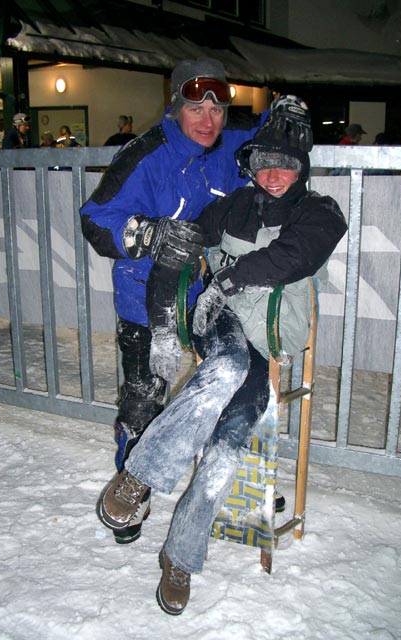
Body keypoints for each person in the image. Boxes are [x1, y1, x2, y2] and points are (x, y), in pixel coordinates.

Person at [97, 126, 348, 615]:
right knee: (226, 363)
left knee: (227, 445)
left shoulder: (320, 212)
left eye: (286, 165)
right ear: (250, 167)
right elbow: (181, 250)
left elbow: (292, 256)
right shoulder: (231, 205)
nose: (274, 176)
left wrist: (226, 278)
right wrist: (169, 323)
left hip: (266, 339)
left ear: (302, 168)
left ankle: (181, 556)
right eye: (263, 164)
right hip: (223, 322)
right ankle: (140, 477)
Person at [80, 56, 313, 545]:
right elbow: (96, 218)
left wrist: (284, 117)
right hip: (148, 297)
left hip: (214, 292)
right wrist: (149, 233)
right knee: (146, 399)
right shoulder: (147, 154)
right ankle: (134, 493)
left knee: (235, 380)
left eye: (218, 111)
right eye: (196, 109)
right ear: (176, 107)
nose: (208, 122)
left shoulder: (231, 145)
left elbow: (273, 150)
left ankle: (238, 484)